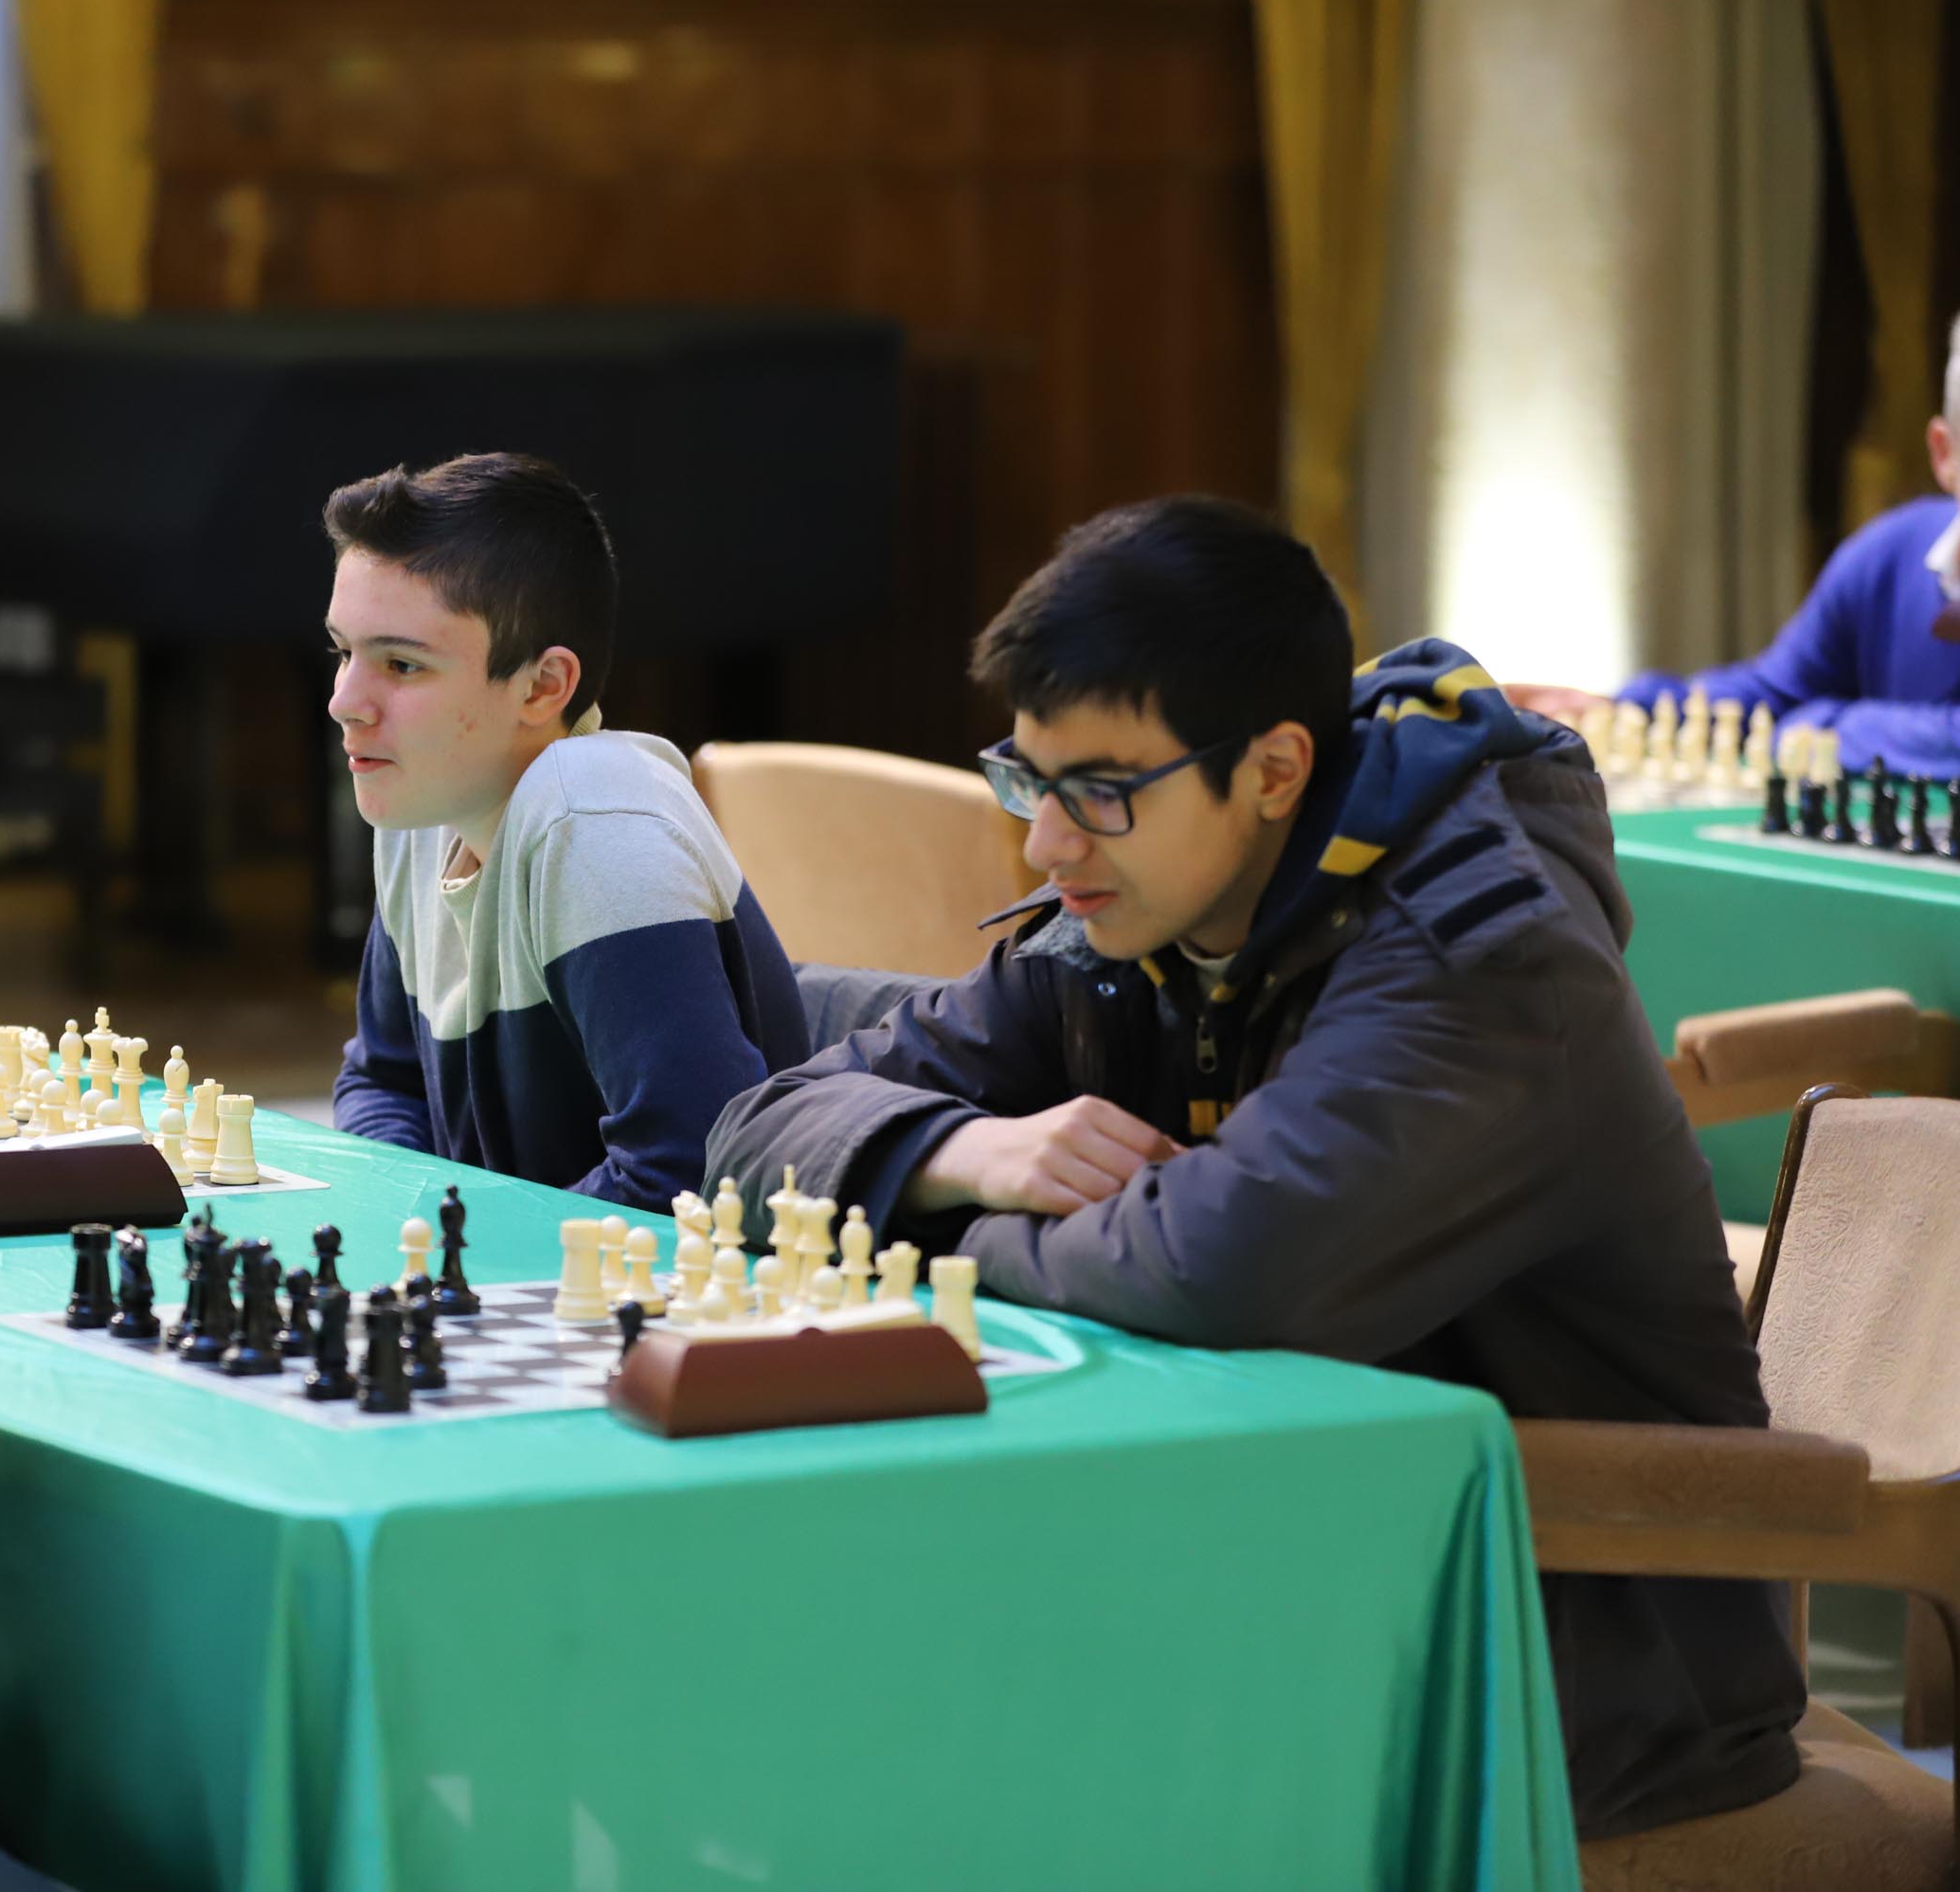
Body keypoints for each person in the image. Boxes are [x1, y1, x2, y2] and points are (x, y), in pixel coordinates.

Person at [706, 496, 1804, 1840]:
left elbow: (1214, 1270)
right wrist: (965, 1149)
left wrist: (932, 1236)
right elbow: (756, 1132)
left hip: (1563, 1648)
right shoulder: (1128, 917)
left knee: (957, 1754)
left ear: (1275, 768)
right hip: (1287, 1561)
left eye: (1100, 792)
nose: (1046, 844)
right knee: (839, 1679)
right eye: (1028, 781)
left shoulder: (1485, 963)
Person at [326, 451, 808, 1209]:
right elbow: (382, 1082)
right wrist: (417, 1224)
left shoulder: (592, 819)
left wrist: (458, 1250)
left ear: (544, 686)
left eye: (402, 665)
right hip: (539, 1291)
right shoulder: (426, 803)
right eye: (343, 652)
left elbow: (687, 1167)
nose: (345, 701)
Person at [1511, 311, 1960, 775]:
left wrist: (1826, 725)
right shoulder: (1889, 553)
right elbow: (1777, 695)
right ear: (1945, 455)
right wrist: (1622, 712)